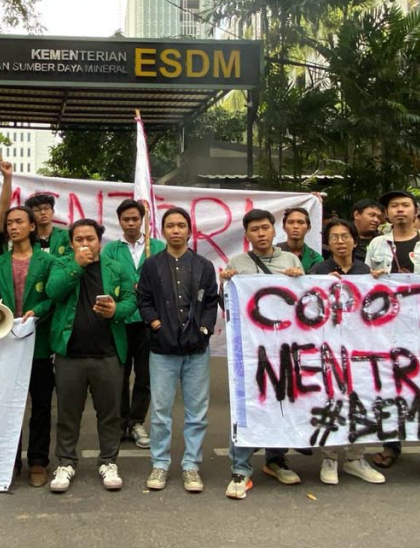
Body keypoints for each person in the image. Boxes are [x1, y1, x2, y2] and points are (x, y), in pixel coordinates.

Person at [365, 190, 420, 482]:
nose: (400, 210)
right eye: (394, 206)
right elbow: (365, 286)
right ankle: (392, 445)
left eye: (405, 205)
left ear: (416, 212)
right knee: (391, 388)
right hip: (388, 328)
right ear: (387, 214)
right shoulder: (378, 245)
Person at [46, 219, 137, 493]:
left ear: (100, 241)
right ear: (71, 242)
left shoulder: (117, 268)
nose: (85, 244)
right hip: (69, 355)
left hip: (108, 354)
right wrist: (77, 265)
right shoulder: (62, 264)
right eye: (78, 239)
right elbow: (53, 292)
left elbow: (132, 302)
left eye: (90, 238)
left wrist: (115, 311)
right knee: (67, 413)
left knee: (109, 413)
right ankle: (66, 462)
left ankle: (108, 461)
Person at [221, 209, 305, 498]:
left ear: (274, 231)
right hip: (249, 350)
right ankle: (240, 468)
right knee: (246, 407)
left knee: (281, 402)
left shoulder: (291, 260)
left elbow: (304, 303)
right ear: (246, 235)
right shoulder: (237, 263)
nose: (260, 233)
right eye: (254, 229)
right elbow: (229, 307)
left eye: (265, 228)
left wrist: (299, 278)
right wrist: (227, 282)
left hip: (284, 347)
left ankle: (275, 459)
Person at [138, 207, 218, 493]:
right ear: (162, 230)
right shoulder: (151, 265)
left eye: (181, 225)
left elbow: (211, 301)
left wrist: (205, 329)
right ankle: (160, 464)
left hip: (196, 349)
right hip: (162, 350)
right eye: (170, 225)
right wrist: (156, 324)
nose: (175, 230)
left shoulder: (203, 265)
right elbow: (143, 299)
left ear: (189, 230)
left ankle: (191, 466)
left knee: (197, 412)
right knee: (160, 411)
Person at [306, 218, 387, 486]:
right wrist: (316, 284)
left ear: (354, 240)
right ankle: (329, 456)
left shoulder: (365, 271)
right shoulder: (319, 269)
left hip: (362, 350)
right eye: (334, 237)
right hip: (328, 349)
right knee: (331, 400)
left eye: (345, 236)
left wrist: (379, 282)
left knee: (362, 400)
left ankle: (355, 458)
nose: (340, 242)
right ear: (327, 244)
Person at [0, 205, 56, 487]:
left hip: (38, 344)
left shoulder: (48, 262)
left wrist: (38, 310)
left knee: (41, 405)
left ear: (32, 227)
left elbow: (54, 297)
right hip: (6, 344)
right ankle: (10, 460)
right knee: (8, 406)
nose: (13, 227)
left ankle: (39, 462)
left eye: (19, 222)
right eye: (9, 223)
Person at [106, 198, 165, 450]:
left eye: (135, 219)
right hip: (120, 319)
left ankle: (138, 421)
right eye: (126, 219)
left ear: (142, 220)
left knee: (145, 374)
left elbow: (167, 280)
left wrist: (149, 288)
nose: (131, 223)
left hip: (148, 321)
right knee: (119, 373)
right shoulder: (110, 250)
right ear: (119, 221)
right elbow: (106, 280)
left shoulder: (158, 246)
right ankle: (120, 422)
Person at [277, 206, 324, 272]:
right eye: (291, 222)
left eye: (300, 222)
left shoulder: (315, 258)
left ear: (308, 228)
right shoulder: (272, 252)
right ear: (284, 227)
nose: (295, 226)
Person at [25, 192, 71, 257]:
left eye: (46, 208)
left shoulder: (65, 235)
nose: (43, 212)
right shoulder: (27, 238)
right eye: (37, 210)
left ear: (53, 211)